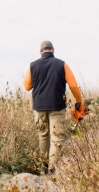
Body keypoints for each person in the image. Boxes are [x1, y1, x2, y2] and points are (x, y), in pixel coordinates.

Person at [23, 40, 84, 175]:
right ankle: (52, 169)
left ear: (40, 52)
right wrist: (79, 100)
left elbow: (27, 86)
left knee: (43, 136)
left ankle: (43, 167)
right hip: (57, 106)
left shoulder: (32, 66)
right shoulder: (62, 65)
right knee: (56, 137)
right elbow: (73, 85)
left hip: (39, 107)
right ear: (53, 50)